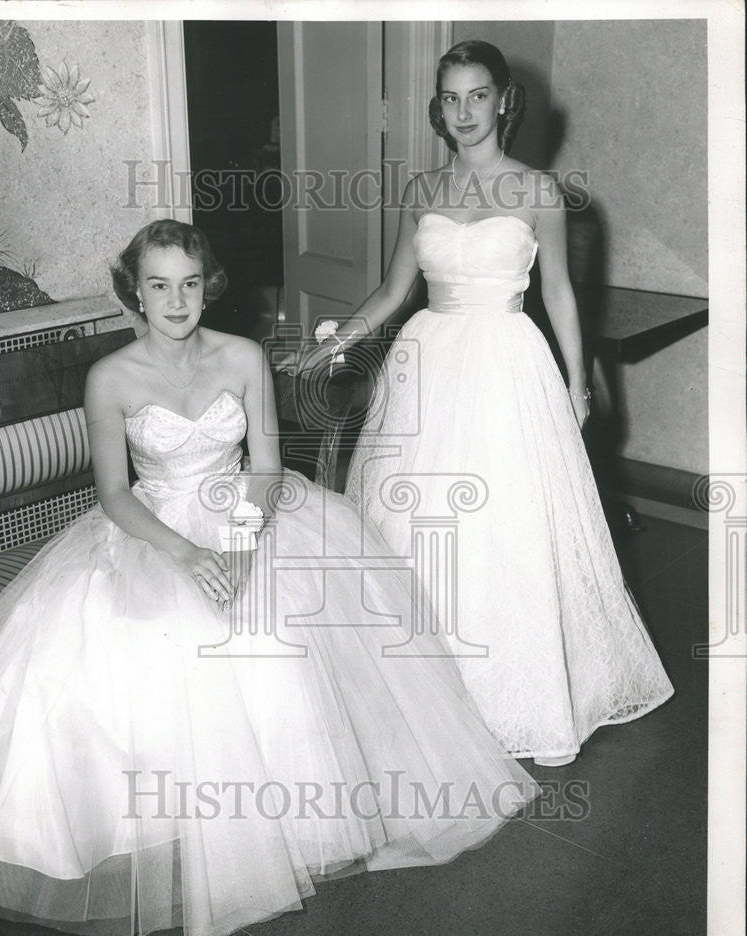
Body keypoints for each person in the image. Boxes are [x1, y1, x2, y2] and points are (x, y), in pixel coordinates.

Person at [0, 219, 539, 936]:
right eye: (159, 285)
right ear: (134, 292)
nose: (176, 301)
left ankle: (292, 816)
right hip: (152, 528)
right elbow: (114, 493)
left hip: (249, 510)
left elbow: (265, 467)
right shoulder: (109, 376)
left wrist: (233, 544)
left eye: (191, 283)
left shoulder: (241, 356)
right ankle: (185, 828)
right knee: (153, 643)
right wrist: (185, 554)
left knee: (271, 627)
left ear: (210, 286)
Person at [289, 40, 674, 767]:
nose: (463, 112)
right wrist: (334, 344)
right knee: (414, 520)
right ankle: (418, 688)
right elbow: (391, 292)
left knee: (506, 525)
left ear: (504, 101)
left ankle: (512, 694)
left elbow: (557, 290)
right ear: (438, 108)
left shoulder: (538, 192)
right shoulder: (421, 192)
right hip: (427, 363)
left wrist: (576, 381)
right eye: (450, 98)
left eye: (477, 96)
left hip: (506, 360)